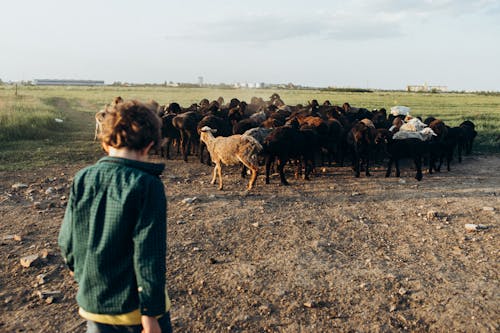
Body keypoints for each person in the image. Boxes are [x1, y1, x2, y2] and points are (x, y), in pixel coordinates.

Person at [58, 100, 172, 333]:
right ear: (150, 145)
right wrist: (150, 313)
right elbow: (149, 254)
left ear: (105, 140)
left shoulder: (83, 177)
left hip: (93, 303)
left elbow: (67, 239)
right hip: (133, 310)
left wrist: (81, 274)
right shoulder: (147, 185)